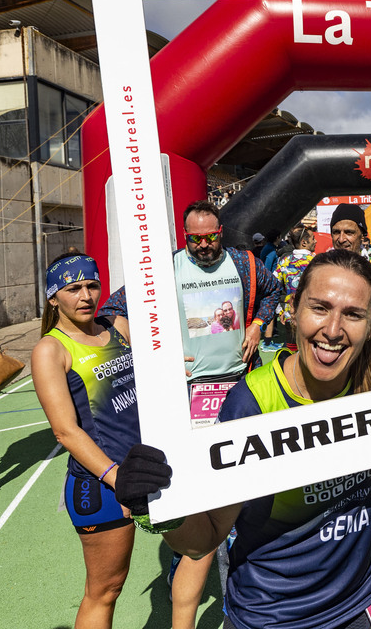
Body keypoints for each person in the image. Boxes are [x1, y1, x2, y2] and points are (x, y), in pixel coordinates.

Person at [115, 249, 371, 629]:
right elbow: (205, 539)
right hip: (276, 614)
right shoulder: (251, 404)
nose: (333, 330)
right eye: (320, 308)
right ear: (293, 310)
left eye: (353, 314)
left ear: (370, 324)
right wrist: (157, 509)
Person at [99, 199, 280, 626]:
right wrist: (147, 351)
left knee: (242, 476)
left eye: (210, 237)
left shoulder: (244, 263)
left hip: (238, 386)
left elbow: (274, 291)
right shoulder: (163, 270)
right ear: (185, 237)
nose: (202, 246)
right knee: (192, 484)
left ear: (221, 231)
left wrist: (256, 324)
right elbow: (113, 310)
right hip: (185, 395)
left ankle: (244, 554)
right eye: (194, 239)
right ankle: (191, 556)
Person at [31, 254, 140, 628]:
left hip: (146, 471)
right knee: (105, 590)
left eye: (92, 285)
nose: (86, 295)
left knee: (196, 550)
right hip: (103, 485)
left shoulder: (119, 327)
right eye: (73, 288)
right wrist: (119, 480)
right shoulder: (51, 349)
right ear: (53, 298)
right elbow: (65, 431)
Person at [273, 224, 317, 353]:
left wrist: (279, 310)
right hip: (311, 313)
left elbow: (272, 286)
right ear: (304, 242)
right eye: (313, 238)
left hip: (289, 313)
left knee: (291, 346)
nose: (315, 241)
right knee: (309, 348)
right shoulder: (317, 261)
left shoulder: (284, 261)